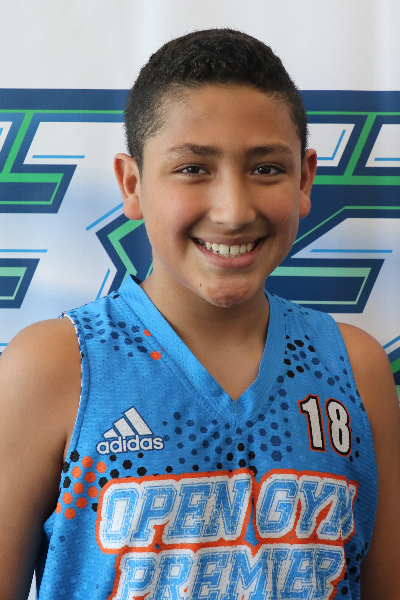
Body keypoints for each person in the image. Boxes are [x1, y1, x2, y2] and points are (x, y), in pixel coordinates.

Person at [0, 29, 399, 600]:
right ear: (132, 184)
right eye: (193, 169)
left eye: (266, 169)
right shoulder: (56, 366)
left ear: (305, 178)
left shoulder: (354, 367)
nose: (233, 211)